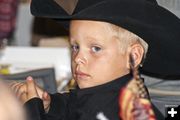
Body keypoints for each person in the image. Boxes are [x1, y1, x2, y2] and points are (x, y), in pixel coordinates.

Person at [12, 0, 180, 120]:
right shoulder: (109, 94)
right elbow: (76, 104)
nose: (78, 58)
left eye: (95, 49)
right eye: (75, 47)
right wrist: (50, 105)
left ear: (133, 56)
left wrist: (31, 110)